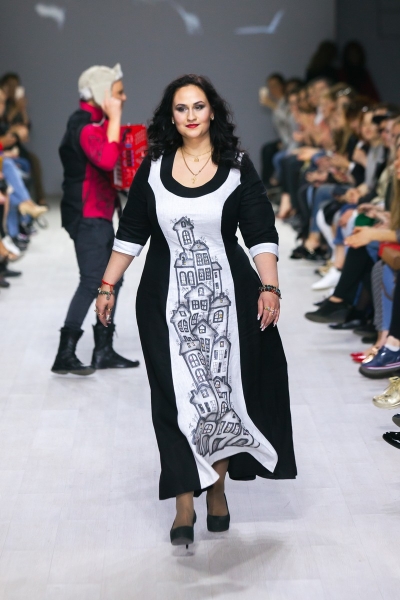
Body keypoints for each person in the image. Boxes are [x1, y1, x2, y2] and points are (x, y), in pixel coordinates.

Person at [95, 74, 297, 547]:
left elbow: (260, 231)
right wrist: (107, 285)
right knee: (172, 398)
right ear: (171, 116)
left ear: (212, 112)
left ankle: (218, 489)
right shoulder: (153, 167)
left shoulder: (237, 167)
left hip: (228, 303)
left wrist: (270, 286)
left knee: (222, 400)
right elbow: (132, 232)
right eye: (181, 107)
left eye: (198, 106)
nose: (190, 115)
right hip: (162, 303)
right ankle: (184, 500)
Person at [51, 63, 139, 376]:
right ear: (102, 93)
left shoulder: (90, 123)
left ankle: (103, 350)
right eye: (118, 92)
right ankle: (65, 354)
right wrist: (115, 118)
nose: (123, 97)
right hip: (88, 216)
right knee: (93, 281)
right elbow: (107, 159)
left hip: (96, 214)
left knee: (112, 279)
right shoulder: (87, 127)